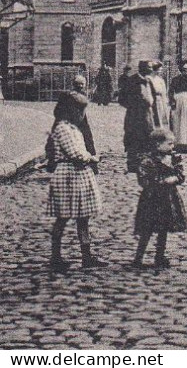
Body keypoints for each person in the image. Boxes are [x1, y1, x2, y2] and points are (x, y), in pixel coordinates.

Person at [47, 92, 103, 273]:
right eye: (80, 111)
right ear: (69, 111)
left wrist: (87, 157)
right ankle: (55, 256)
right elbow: (75, 153)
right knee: (63, 217)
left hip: (79, 175)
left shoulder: (73, 128)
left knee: (83, 217)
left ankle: (86, 255)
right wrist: (92, 158)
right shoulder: (62, 128)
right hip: (68, 175)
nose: (82, 115)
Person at [131, 129, 187, 273]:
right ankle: (138, 258)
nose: (172, 147)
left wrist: (176, 177)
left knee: (164, 228)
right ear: (157, 144)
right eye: (169, 144)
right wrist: (164, 181)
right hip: (152, 199)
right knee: (147, 229)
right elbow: (145, 181)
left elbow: (181, 175)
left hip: (168, 199)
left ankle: (160, 256)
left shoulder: (174, 158)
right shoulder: (147, 161)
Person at [123, 60, 159, 173]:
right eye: (148, 67)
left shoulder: (149, 81)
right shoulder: (132, 81)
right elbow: (122, 99)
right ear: (142, 68)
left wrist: (154, 115)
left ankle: (145, 164)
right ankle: (133, 164)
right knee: (134, 138)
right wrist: (134, 107)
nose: (151, 70)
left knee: (147, 138)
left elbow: (154, 99)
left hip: (148, 115)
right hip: (135, 116)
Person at [149, 61, 170, 128]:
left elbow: (164, 92)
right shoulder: (149, 79)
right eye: (159, 69)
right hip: (152, 100)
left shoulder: (161, 80)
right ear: (156, 69)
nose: (160, 71)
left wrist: (165, 102)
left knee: (160, 116)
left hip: (159, 100)